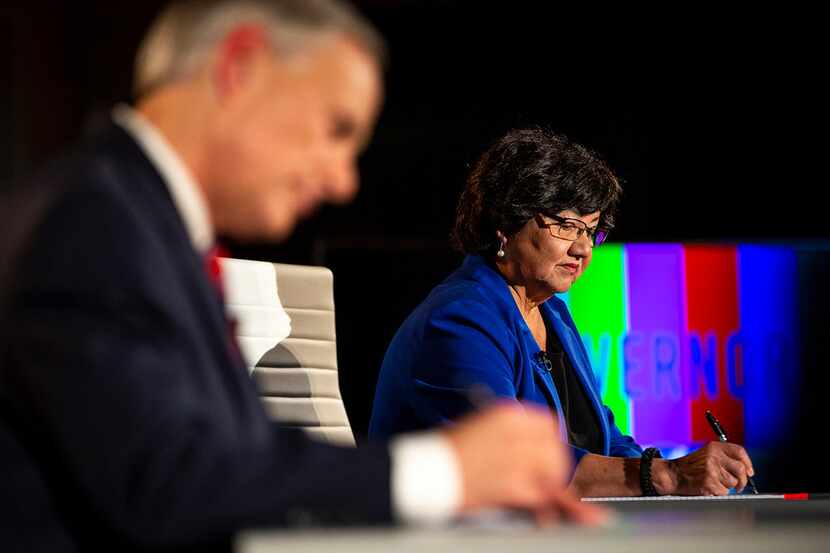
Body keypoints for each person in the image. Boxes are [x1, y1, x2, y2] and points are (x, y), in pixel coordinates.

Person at [0, 2, 602, 551]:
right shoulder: (90, 223)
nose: (343, 181)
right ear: (239, 67)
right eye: (336, 129)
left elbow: (236, 459)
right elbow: (167, 481)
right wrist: (444, 470)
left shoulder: (141, 223)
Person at [369, 128, 756, 498]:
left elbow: (603, 435)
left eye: (591, 230)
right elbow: (512, 462)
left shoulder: (553, 314)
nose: (583, 249)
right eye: (567, 226)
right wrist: (667, 477)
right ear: (506, 224)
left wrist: (679, 473)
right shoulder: (459, 321)